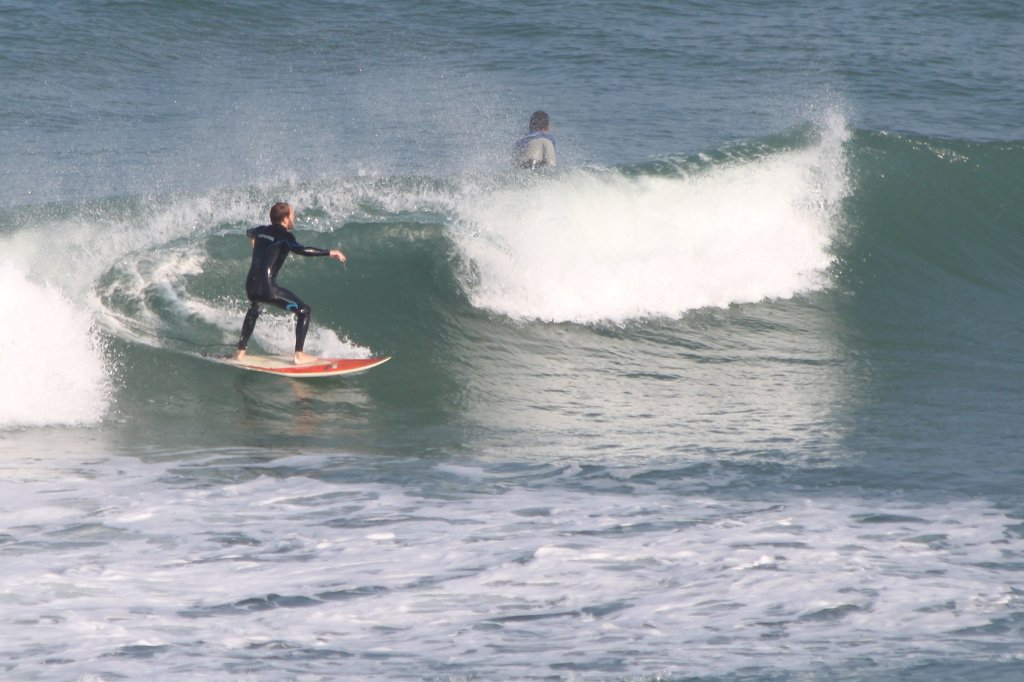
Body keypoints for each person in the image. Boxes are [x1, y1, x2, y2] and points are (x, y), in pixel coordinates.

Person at [235, 202, 346, 364]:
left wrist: (254, 242)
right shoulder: (285, 236)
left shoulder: (261, 230)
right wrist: (329, 252)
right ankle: (299, 355)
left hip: (251, 286)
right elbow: (302, 250)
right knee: (304, 311)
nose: (295, 218)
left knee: (254, 308)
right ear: (285, 219)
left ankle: (240, 352)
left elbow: (249, 232)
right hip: (268, 288)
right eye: (293, 215)